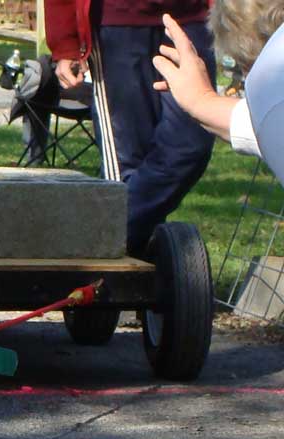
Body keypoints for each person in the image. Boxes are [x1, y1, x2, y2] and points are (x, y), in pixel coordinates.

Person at [44, 0, 216, 257]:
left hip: (190, 20)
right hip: (116, 24)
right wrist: (66, 41)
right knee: (125, 168)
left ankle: (95, 248)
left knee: (191, 145)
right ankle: (131, 274)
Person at [153, 4, 284, 184]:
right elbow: (261, 123)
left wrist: (200, 100)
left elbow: (270, 119)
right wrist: (200, 100)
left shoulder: (270, 75)